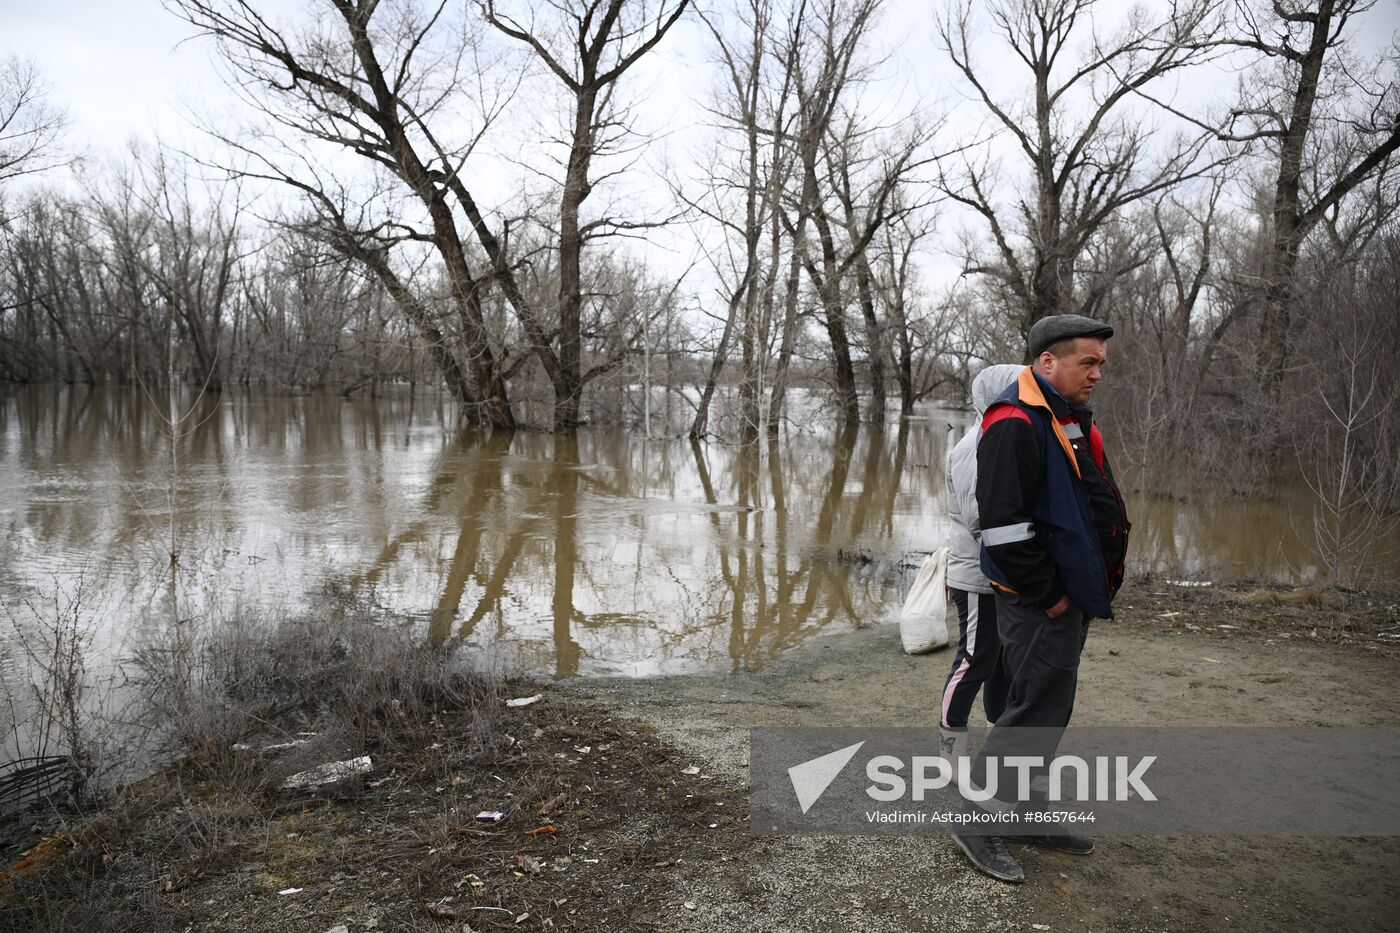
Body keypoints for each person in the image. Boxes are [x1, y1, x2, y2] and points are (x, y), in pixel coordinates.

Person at [949, 314, 1131, 884]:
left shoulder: (1065, 417)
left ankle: (1024, 812)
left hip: (1071, 593)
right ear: (1047, 362)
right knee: (1029, 710)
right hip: (1040, 599)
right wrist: (1048, 594)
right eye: (1088, 361)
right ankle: (976, 820)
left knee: (1048, 707)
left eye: (1101, 363)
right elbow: (1001, 525)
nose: (1098, 372)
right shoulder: (1013, 421)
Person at [940, 364, 1023, 763]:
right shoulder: (976, 446)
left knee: (1003, 662)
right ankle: (949, 748)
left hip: (1003, 575)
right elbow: (980, 519)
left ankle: (997, 742)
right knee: (975, 659)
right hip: (976, 575)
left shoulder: (1003, 437)